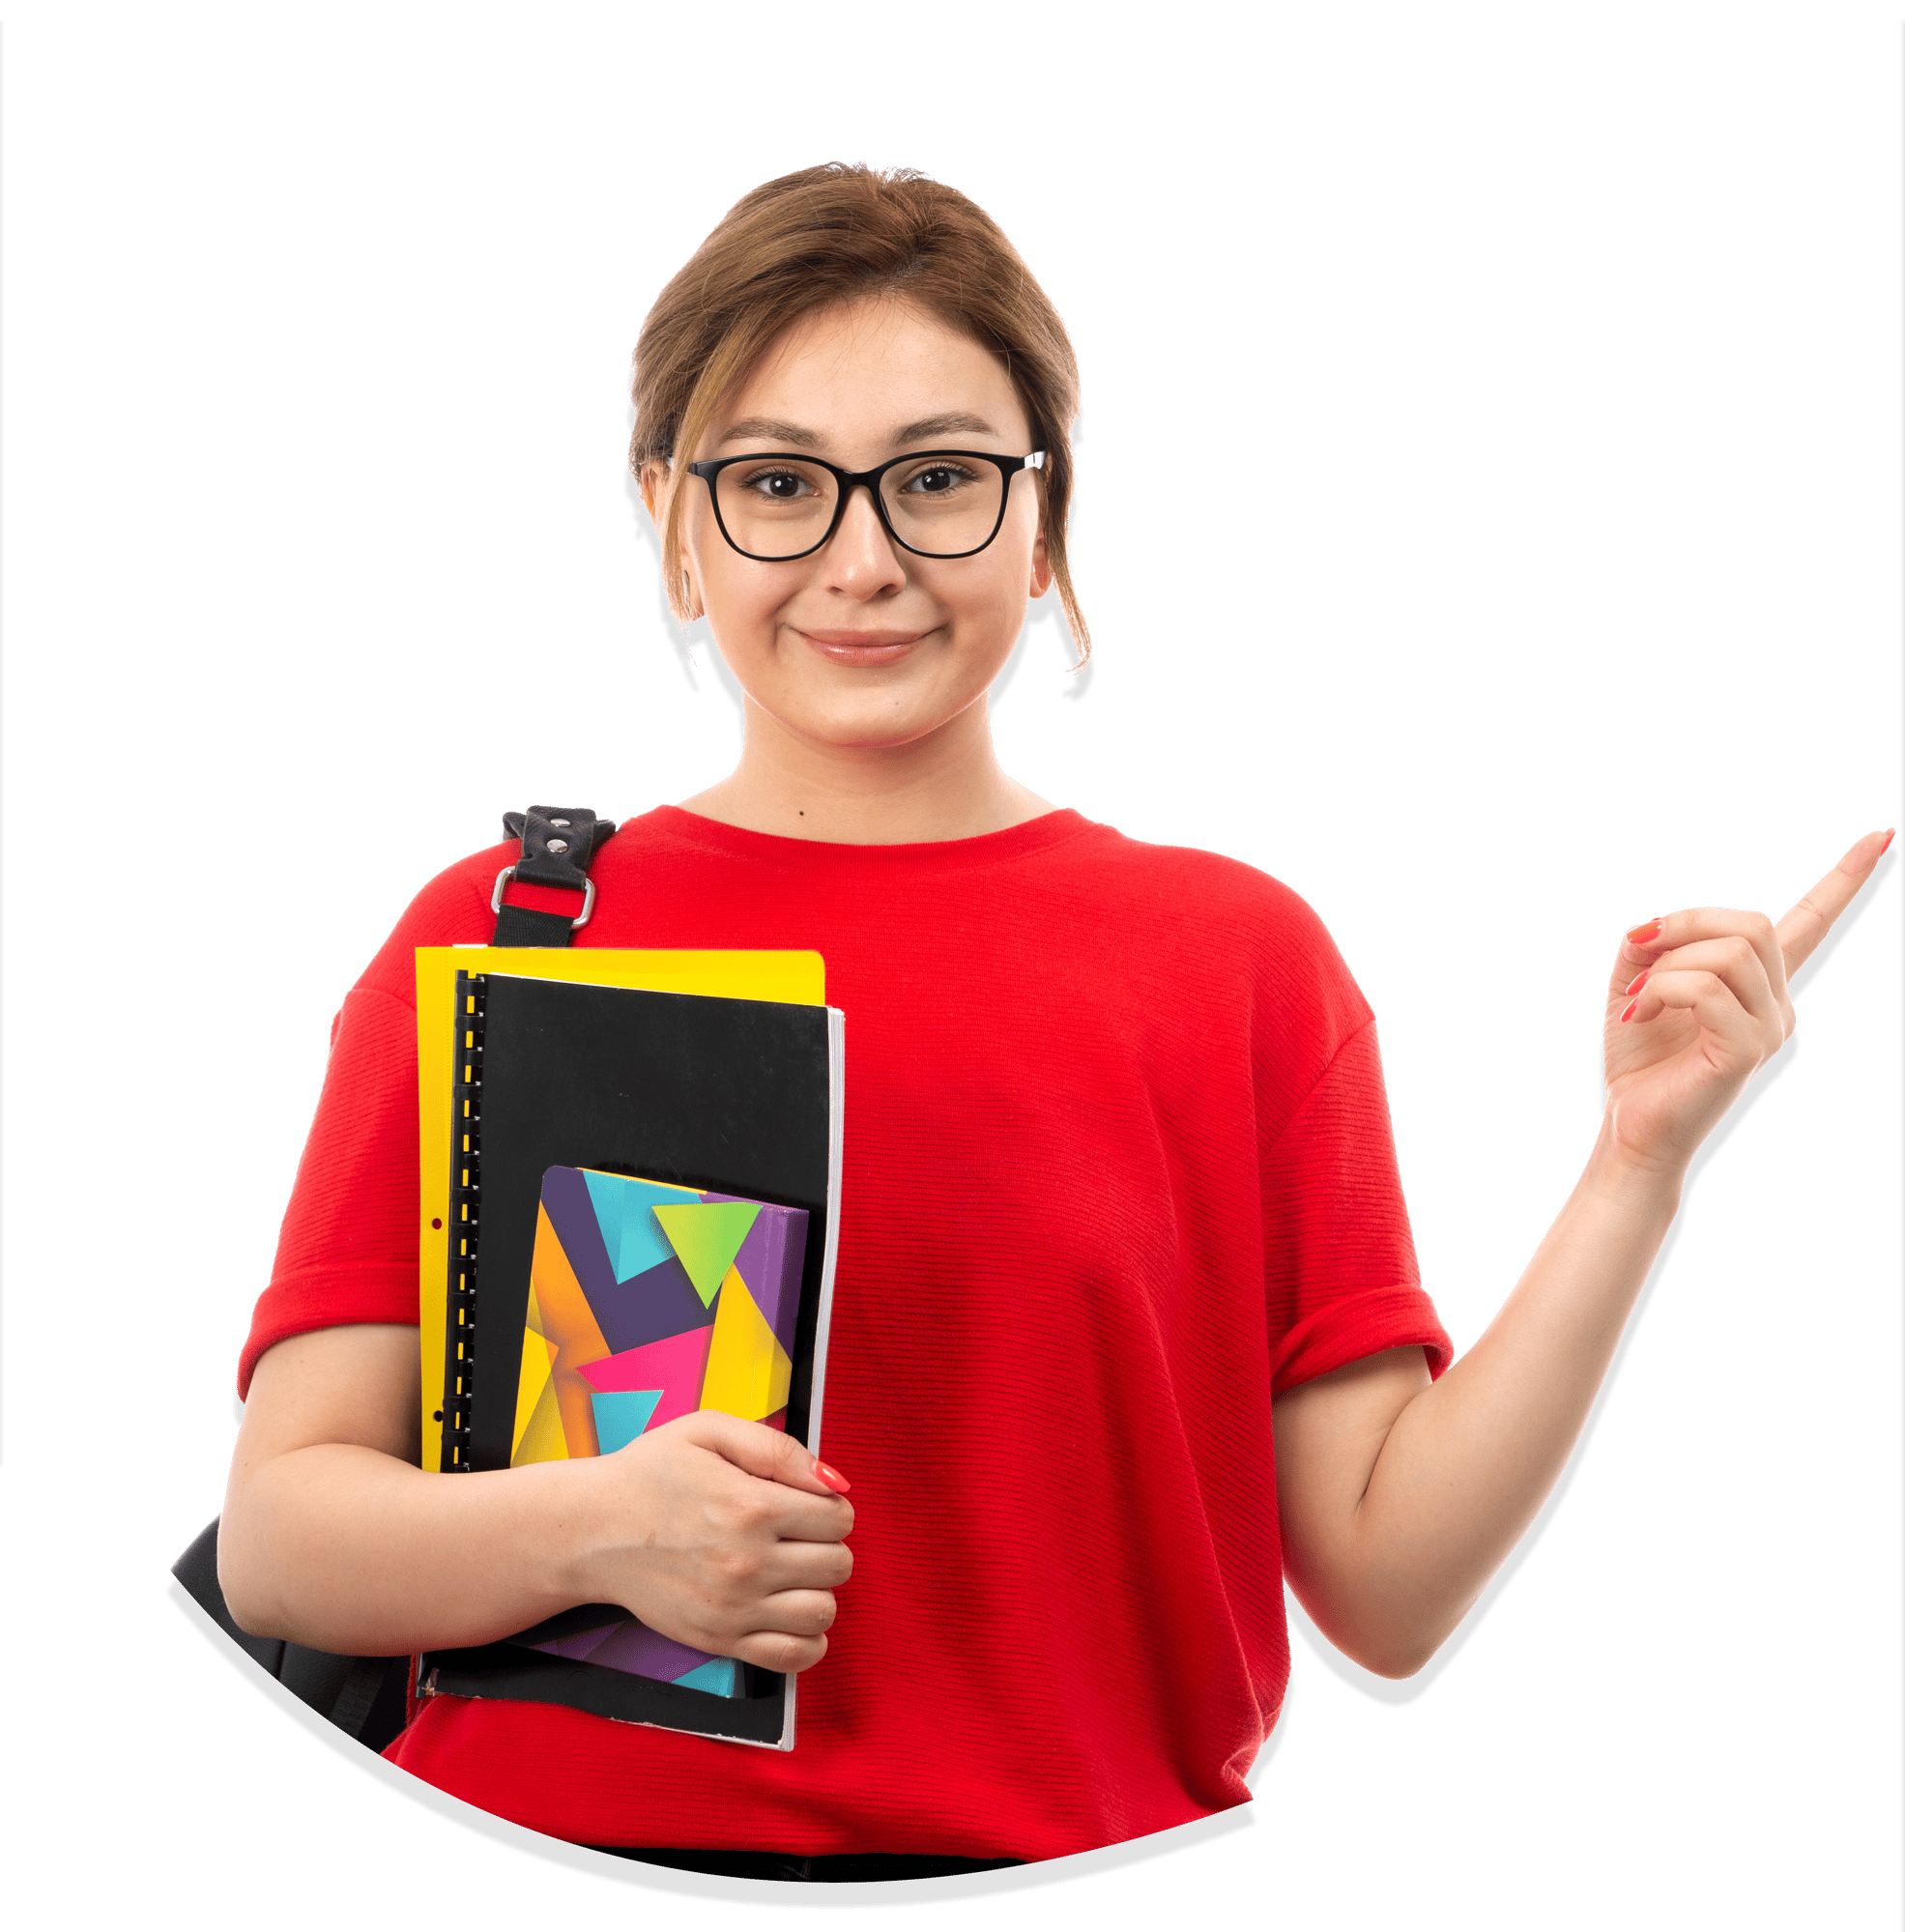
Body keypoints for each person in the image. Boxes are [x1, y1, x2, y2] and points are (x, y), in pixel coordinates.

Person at [216, 160, 1892, 1880]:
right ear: (668, 516)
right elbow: (282, 1536)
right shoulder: (502, 936)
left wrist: (1640, 1155)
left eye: (937, 478)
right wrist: (601, 1525)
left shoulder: (1236, 958)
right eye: (777, 483)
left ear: (1044, 514)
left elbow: (1386, 1595)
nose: (861, 561)